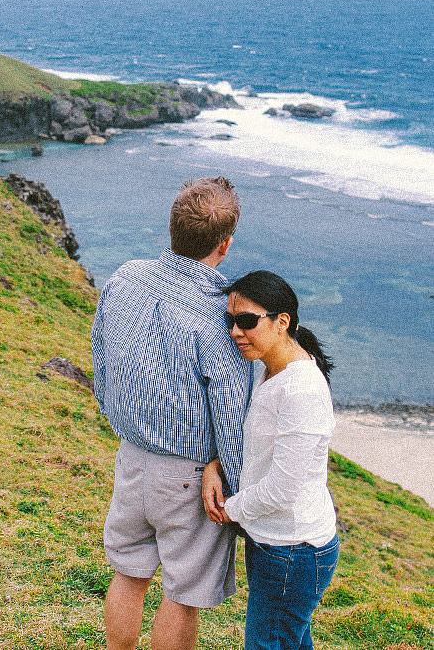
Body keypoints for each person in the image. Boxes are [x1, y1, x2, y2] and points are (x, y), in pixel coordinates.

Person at [91, 177, 252, 650]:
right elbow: (230, 416)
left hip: (132, 457)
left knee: (129, 574)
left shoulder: (124, 279)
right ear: (224, 245)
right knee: (181, 596)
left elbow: (101, 360)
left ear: (172, 229)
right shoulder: (217, 316)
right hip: (189, 476)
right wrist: (234, 486)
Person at [201, 271, 338, 650]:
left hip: (293, 550)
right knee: (288, 640)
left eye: (247, 321)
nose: (235, 332)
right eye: (230, 320)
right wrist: (216, 464)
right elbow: (252, 443)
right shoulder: (269, 368)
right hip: (277, 544)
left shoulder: (302, 390)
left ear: (282, 322)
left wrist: (231, 508)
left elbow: (283, 489)